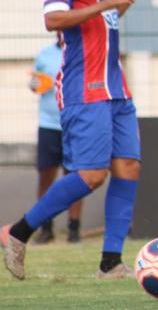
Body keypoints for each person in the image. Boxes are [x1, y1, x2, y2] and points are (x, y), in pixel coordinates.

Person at [1, 0, 155, 281]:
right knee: (91, 174)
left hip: (115, 86)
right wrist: (107, 1)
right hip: (83, 85)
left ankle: (110, 262)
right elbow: (52, 17)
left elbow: (107, 19)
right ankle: (18, 232)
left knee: (128, 167)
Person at [30, 31, 84, 244]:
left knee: (76, 177)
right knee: (46, 175)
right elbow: (35, 84)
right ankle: (46, 227)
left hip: (76, 123)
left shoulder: (82, 52)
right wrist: (37, 84)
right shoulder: (45, 55)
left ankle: (74, 229)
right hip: (49, 124)